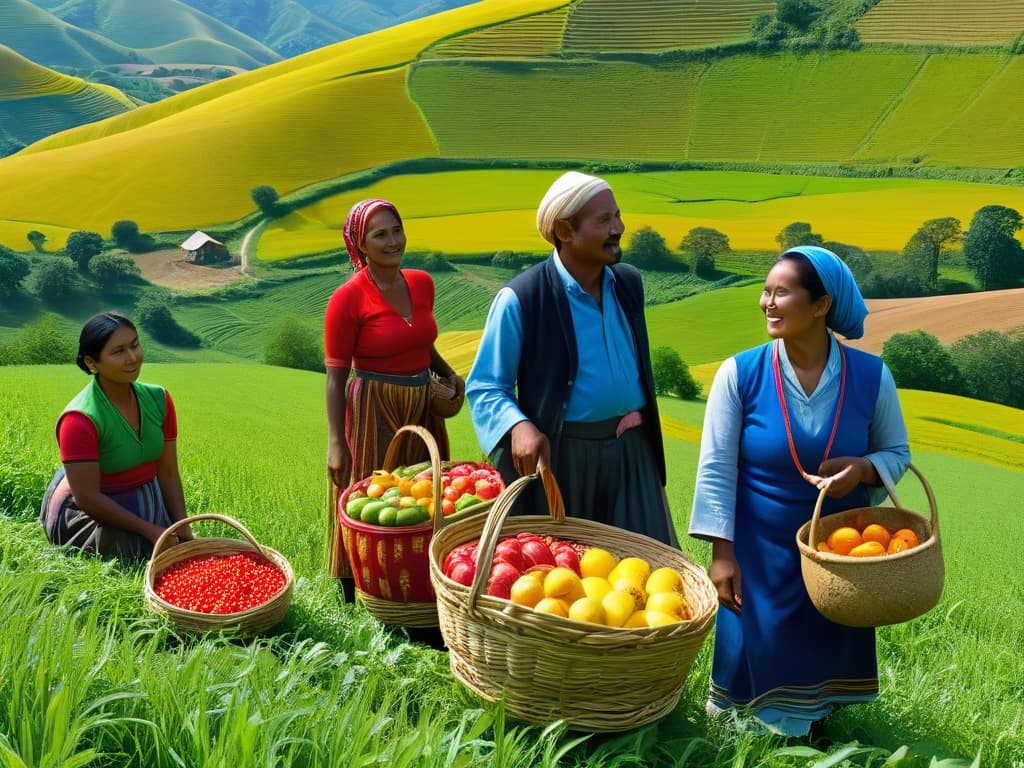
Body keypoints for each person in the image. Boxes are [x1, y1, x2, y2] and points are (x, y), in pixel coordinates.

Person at [688, 245, 911, 737]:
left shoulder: (873, 377)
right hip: (758, 549)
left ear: (821, 305)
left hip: (838, 550)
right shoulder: (739, 374)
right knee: (753, 661)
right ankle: (753, 735)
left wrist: (863, 469)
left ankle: (813, 727)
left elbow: (897, 453)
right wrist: (722, 555)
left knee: (822, 656)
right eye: (765, 291)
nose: (767, 302)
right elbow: (716, 468)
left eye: (781, 292)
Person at [466, 171, 677, 546]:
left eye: (618, 215)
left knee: (653, 572)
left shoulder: (628, 283)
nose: (619, 227)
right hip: (565, 459)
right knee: (570, 573)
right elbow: (485, 386)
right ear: (565, 231)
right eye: (605, 220)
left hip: (633, 455)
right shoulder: (522, 298)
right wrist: (518, 426)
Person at [324, 198, 463, 582]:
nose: (392, 241)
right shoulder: (347, 298)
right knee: (374, 495)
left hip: (423, 402)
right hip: (374, 405)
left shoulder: (421, 283)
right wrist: (337, 442)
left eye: (396, 230)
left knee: (424, 493)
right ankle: (361, 582)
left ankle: (417, 579)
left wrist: (450, 375)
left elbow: (420, 342)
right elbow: (336, 377)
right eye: (379, 234)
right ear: (360, 245)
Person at [40, 312, 192, 561]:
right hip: (90, 513)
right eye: (118, 351)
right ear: (91, 363)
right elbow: (87, 497)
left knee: (178, 550)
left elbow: (167, 472)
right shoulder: (79, 419)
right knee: (138, 554)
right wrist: (153, 532)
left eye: (135, 345)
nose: (133, 358)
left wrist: (182, 525)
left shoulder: (159, 400)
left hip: (144, 502)